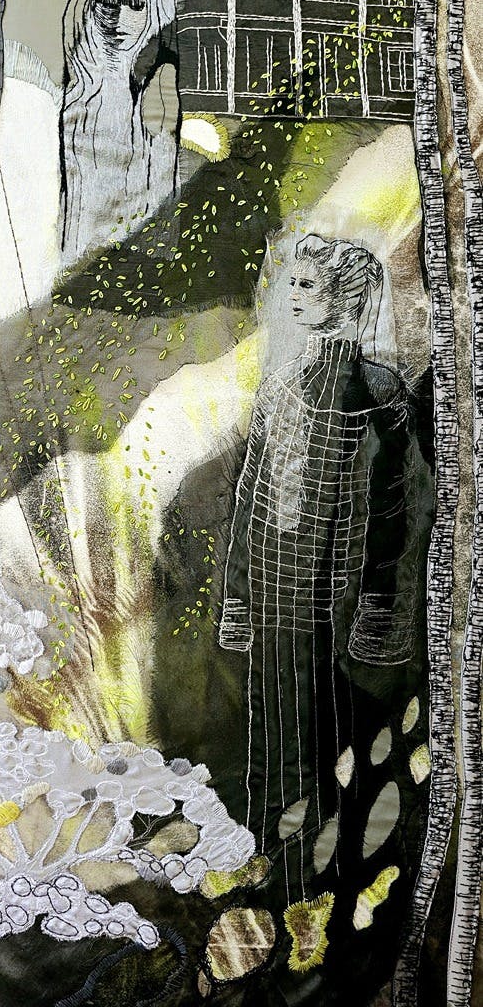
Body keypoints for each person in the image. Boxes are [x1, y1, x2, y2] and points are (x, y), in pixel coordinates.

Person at [218, 233, 422, 906]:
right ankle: (264, 865)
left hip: (336, 590)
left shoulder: (380, 391)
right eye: (294, 283)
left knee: (324, 731)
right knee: (270, 726)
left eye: (308, 285)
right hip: (272, 579)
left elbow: (393, 507)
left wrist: (380, 604)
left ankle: (316, 878)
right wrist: (239, 595)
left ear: (344, 297)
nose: (294, 295)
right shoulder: (282, 384)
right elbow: (250, 495)